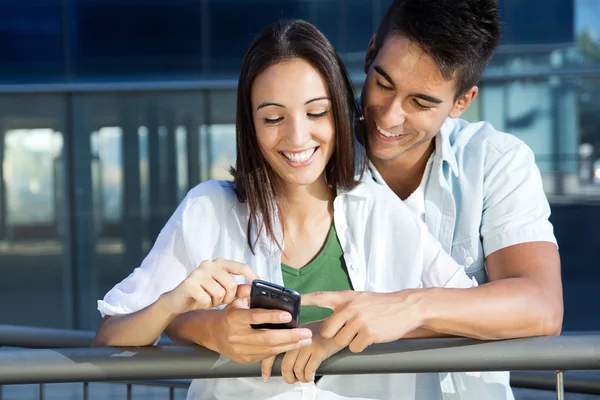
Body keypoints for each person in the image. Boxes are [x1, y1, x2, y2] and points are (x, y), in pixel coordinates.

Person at [93, 19, 478, 400]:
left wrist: (363, 324)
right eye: (273, 118)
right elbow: (109, 337)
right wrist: (179, 311)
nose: (297, 137)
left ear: (340, 114)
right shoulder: (209, 208)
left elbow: (466, 311)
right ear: (251, 126)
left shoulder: (377, 210)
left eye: (316, 113)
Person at [302, 0, 563, 397]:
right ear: (371, 53)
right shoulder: (311, 158)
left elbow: (541, 305)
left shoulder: (495, 161)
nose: (389, 117)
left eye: (420, 103)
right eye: (383, 84)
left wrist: (410, 308)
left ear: (462, 102)